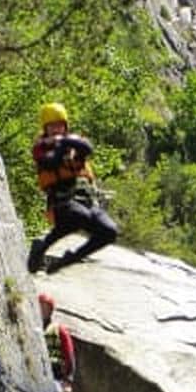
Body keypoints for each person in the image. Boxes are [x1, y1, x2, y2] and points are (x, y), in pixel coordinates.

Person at [27, 102, 118, 274]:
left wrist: (66, 140)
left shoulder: (74, 144)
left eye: (60, 125)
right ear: (45, 128)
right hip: (60, 204)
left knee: (109, 232)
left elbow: (87, 148)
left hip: (87, 202)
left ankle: (71, 258)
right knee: (79, 216)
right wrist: (60, 144)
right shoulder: (40, 148)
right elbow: (51, 161)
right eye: (52, 126)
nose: (56, 129)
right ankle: (42, 245)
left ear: (65, 126)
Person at [38, 293, 76, 392]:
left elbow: (69, 355)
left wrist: (68, 381)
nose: (42, 311)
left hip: (56, 377)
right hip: (38, 375)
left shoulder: (59, 330)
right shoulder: (33, 327)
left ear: (50, 310)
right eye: (40, 307)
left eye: (45, 308)